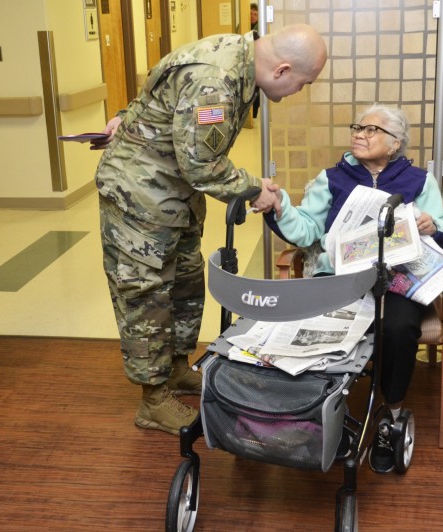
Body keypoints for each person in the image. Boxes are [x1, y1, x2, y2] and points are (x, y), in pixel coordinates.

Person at [93, 24, 327, 436]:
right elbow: (201, 165)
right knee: (145, 293)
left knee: (184, 280)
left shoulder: (236, 54)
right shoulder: (215, 79)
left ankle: (178, 369)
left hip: (174, 193)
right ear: (282, 69)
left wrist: (129, 116)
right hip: (140, 196)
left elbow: (158, 91)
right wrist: (256, 190)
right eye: (302, 83)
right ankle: (152, 399)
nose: (299, 92)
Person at [265, 104, 443, 473]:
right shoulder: (333, 178)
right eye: (358, 127)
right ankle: (322, 413)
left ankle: (392, 415)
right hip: (339, 279)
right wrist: (279, 206)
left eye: (372, 130)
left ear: (395, 142)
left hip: (396, 280)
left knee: (399, 328)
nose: (359, 134)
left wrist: (433, 224)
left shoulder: (418, 180)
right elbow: (307, 230)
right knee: (320, 321)